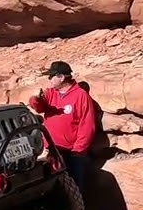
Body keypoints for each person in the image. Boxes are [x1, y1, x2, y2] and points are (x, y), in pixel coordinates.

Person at [29, 61, 96, 191]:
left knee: (74, 188)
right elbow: (39, 107)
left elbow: (87, 125)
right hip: (52, 150)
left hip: (72, 153)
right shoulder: (51, 93)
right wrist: (36, 99)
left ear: (61, 77)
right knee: (52, 187)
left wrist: (78, 149)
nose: (49, 79)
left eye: (51, 76)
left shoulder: (80, 95)